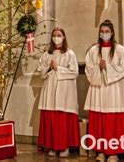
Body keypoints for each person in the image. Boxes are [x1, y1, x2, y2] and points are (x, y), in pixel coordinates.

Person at [84, 19, 124, 161]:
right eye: (102, 31)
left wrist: (107, 67)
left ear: (112, 33)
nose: (104, 34)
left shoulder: (120, 50)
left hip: (114, 90)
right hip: (98, 89)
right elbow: (88, 69)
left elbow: (123, 70)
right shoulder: (93, 50)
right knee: (99, 120)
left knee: (113, 121)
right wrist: (98, 67)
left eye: (107, 31)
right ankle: (101, 151)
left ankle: (113, 152)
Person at [36, 27, 79, 158]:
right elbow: (40, 71)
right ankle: (52, 146)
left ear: (64, 37)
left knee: (62, 119)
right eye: (54, 35)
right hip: (50, 88)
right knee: (51, 117)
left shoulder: (70, 53)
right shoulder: (47, 54)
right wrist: (49, 67)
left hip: (64, 90)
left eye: (59, 35)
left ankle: (64, 146)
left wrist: (58, 68)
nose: (56, 38)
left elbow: (74, 72)